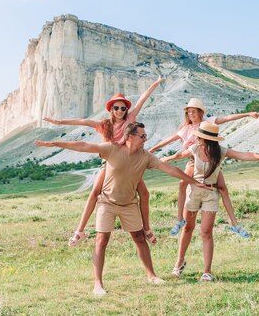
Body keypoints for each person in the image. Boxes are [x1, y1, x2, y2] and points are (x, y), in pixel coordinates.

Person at [34, 122, 210, 295]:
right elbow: (84, 145)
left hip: (129, 204)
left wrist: (193, 182)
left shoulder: (146, 156)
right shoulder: (112, 149)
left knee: (140, 238)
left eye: (145, 136)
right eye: (142, 136)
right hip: (107, 203)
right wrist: (55, 143)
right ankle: (98, 284)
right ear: (130, 137)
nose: (145, 139)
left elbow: (170, 170)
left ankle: (152, 276)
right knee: (101, 241)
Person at [44, 76, 163, 246]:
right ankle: (80, 231)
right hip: (110, 163)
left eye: (123, 107)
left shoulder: (131, 119)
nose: (120, 110)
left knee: (145, 194)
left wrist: (156, 84)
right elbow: (83, 121)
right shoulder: (104, 124)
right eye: (117, 107)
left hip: (129, 163)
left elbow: (143, 98)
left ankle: (147, 228)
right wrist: (58, 122)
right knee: (94, 193)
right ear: (111, 109)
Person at [165, 121, 259, 282]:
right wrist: (165, 159)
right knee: (188, 228)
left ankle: (207, 272)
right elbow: (180, 155)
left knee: (206, 232)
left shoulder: (220, 151)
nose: (197, 139)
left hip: (211, 194)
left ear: (206, 140)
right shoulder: (194, 148)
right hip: (194, 192)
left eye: (200, 138)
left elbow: (245, 155)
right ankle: (179, 263)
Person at [149, 98, 259, 237]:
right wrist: (152, 149)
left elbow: (227, 118)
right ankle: (179, 219)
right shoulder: (186, 128)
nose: (190, 114)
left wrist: (247, 114)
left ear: (200, 112)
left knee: (223, 189)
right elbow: (168, 140)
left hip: (212, 160)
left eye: (193, 111)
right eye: (188, 112)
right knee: (182, 183)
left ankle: (235, 224)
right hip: (193, 160)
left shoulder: (208, 123)